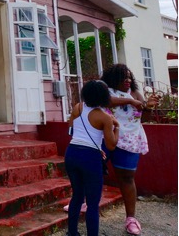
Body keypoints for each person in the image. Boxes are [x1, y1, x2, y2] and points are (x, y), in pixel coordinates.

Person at [101, 64, 159, 235]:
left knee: (126, 178)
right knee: (91, 172)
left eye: (129, 77)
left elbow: (144, 118)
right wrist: (130, 101)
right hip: (104, 137)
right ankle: (82, 202)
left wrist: (148, 107)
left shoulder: (135, 93)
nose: (127, 80)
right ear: (113, 78)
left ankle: (131, 219)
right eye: (123, 77)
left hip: (129, 140)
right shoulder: (104, 88)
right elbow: (106, 101)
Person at [65, 80, 120, 236]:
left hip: (72, 153)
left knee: (77, 196)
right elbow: (111, 146)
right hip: (90, 158)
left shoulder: (78, 107)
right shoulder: (105, 117)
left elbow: (71, 131)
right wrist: (117, 128)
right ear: (104, 97)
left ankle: (72, 233)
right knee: (93, 203)